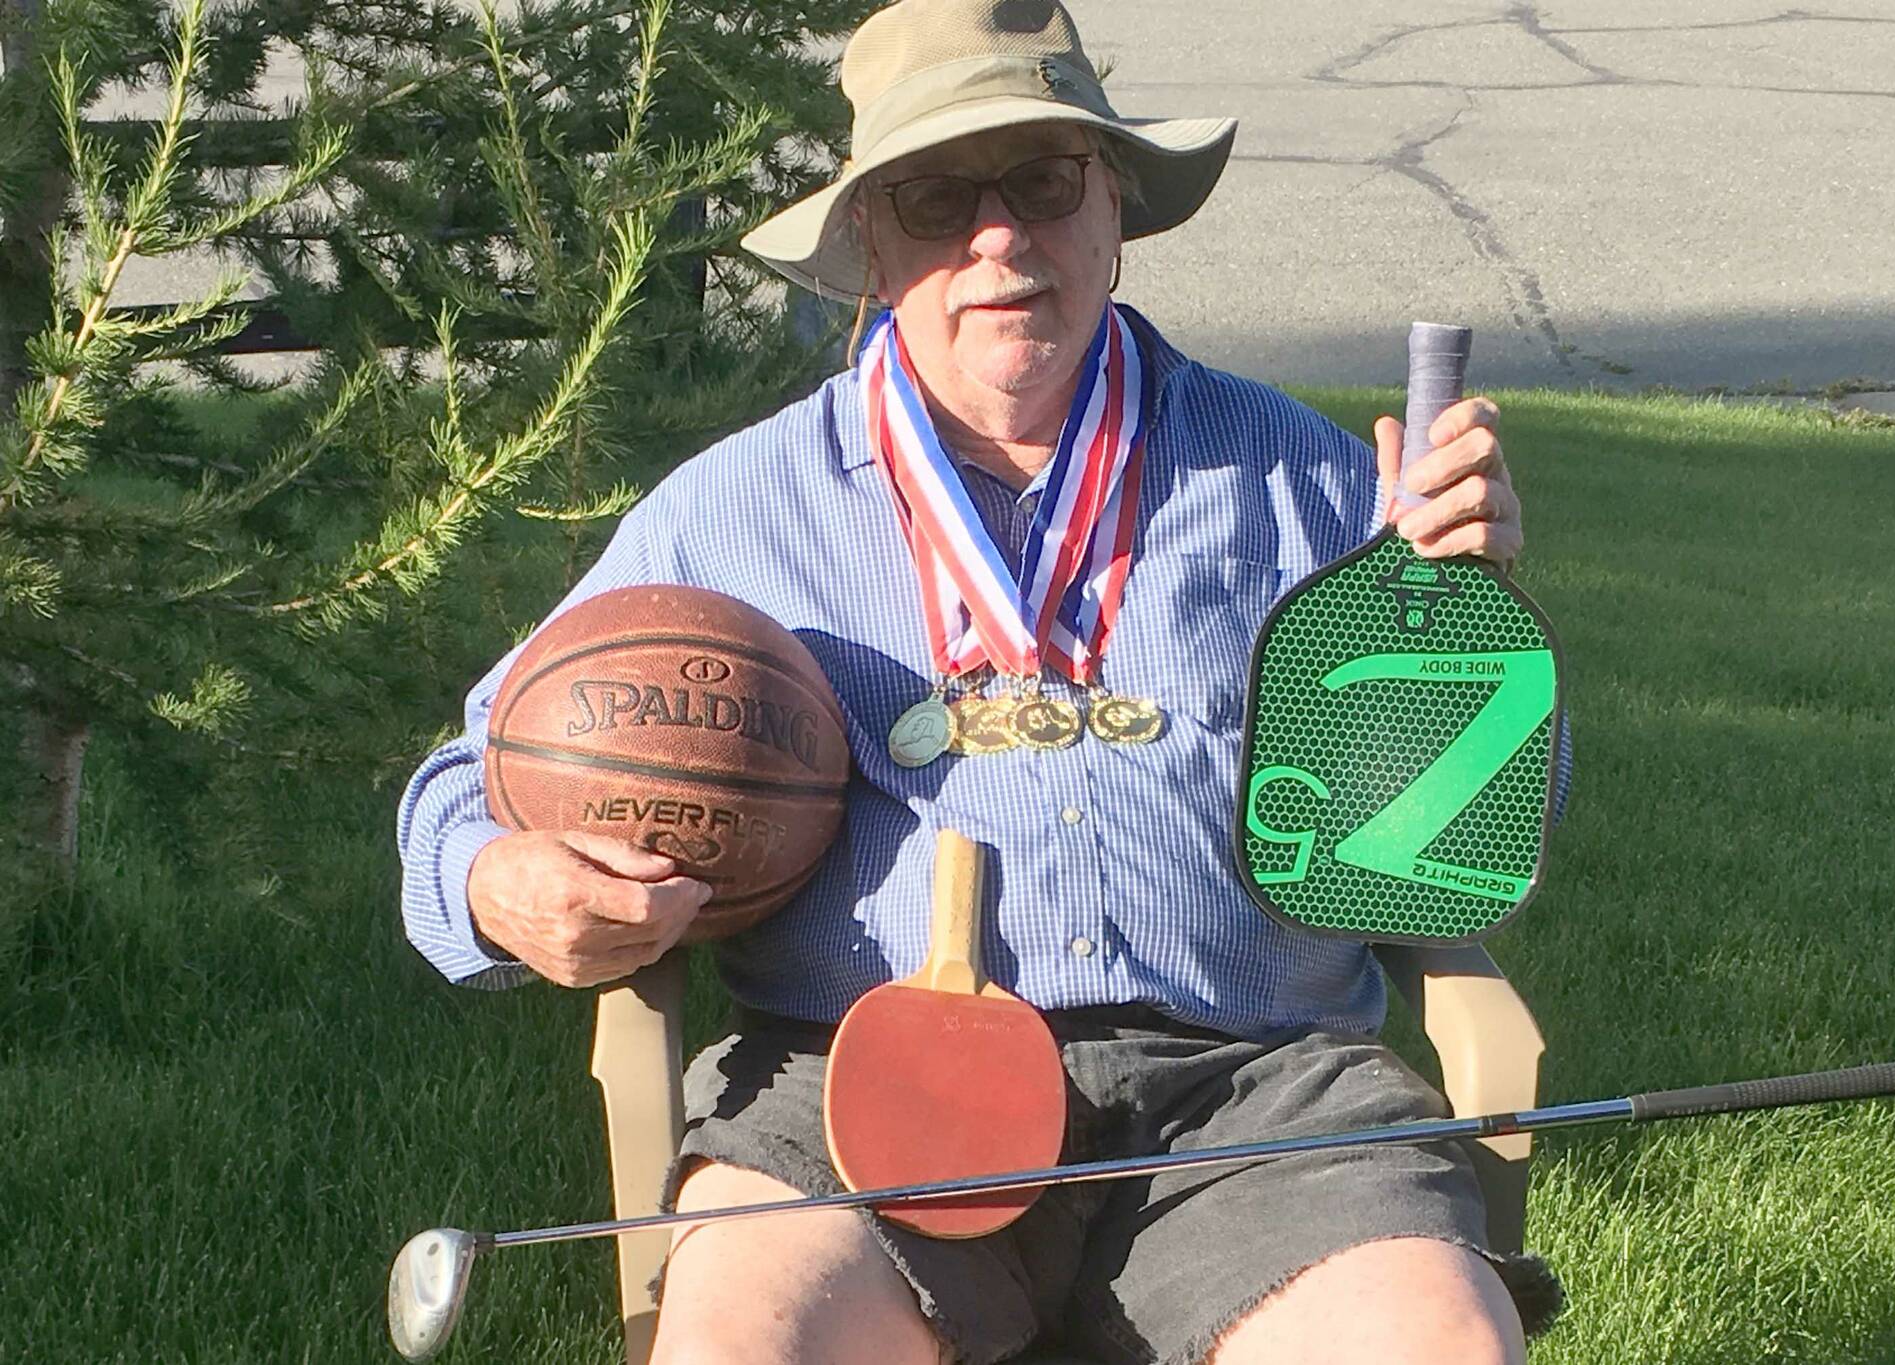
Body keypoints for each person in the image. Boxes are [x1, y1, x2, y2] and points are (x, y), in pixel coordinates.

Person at [398, 1, 1563, 1361]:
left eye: (1043, 180)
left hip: (1255, 1102)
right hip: (848, 1091)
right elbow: (452, 794)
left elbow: (1454, 845)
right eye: (938, 196)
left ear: (1112, 202)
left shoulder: (1305, 478)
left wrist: (1460, 627)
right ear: (869, 248)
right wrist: (500, 884)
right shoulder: (731, 515)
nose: (998, 236)